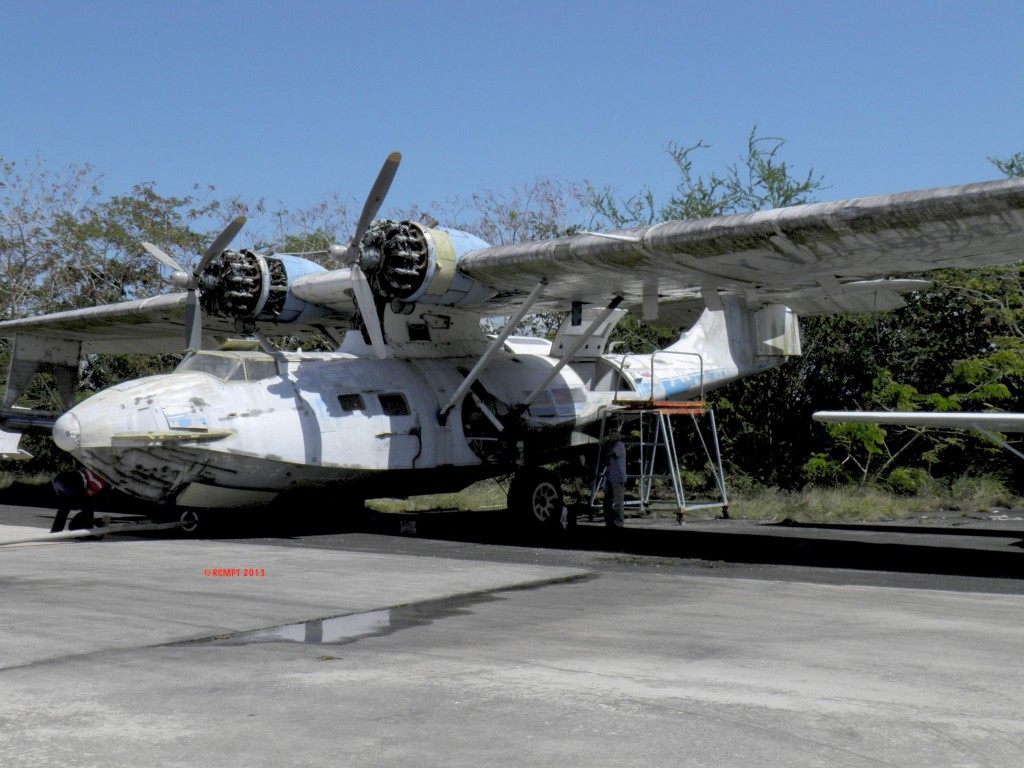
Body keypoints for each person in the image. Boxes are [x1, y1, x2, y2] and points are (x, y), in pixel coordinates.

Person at [50, 467, 107, 533]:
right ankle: (87, 532)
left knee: (66, 506)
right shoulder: (102, 480)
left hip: (58, 480)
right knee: (88, 505)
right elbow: (89, 491)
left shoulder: (94, 469)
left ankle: (55, 531)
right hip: (70, 482)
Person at [603, 428, 627, 528]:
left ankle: (619, 522)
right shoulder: (612, 445)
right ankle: (609, 521)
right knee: (607, 501)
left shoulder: (619, 446)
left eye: (612, 436)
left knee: (618, 502)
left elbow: (611, 453)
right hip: (610, 477)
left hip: (618, 477)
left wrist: (606, 444)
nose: (610, 437)